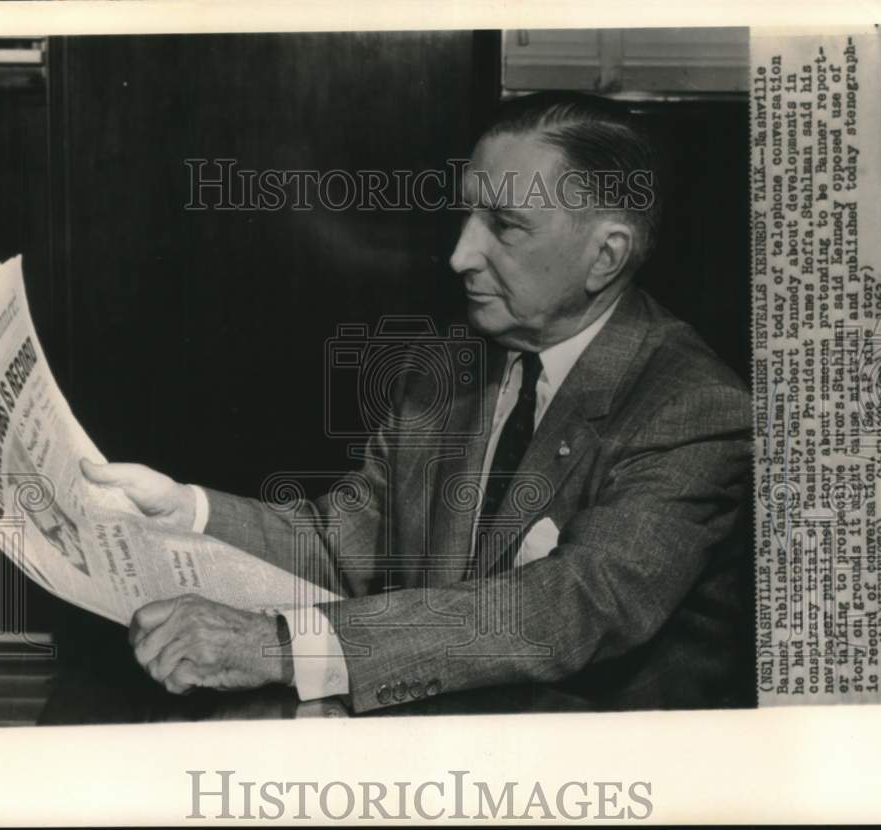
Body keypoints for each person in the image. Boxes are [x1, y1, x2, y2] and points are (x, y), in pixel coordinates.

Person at [81, 91, 754, 713]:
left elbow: (562, 611)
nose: (461, 254)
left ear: (605, 256)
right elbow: (340, 546)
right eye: (466, 216)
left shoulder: (694, 409)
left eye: (505, 225)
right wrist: (186, 510)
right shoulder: (450, 370)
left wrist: (280, 646)